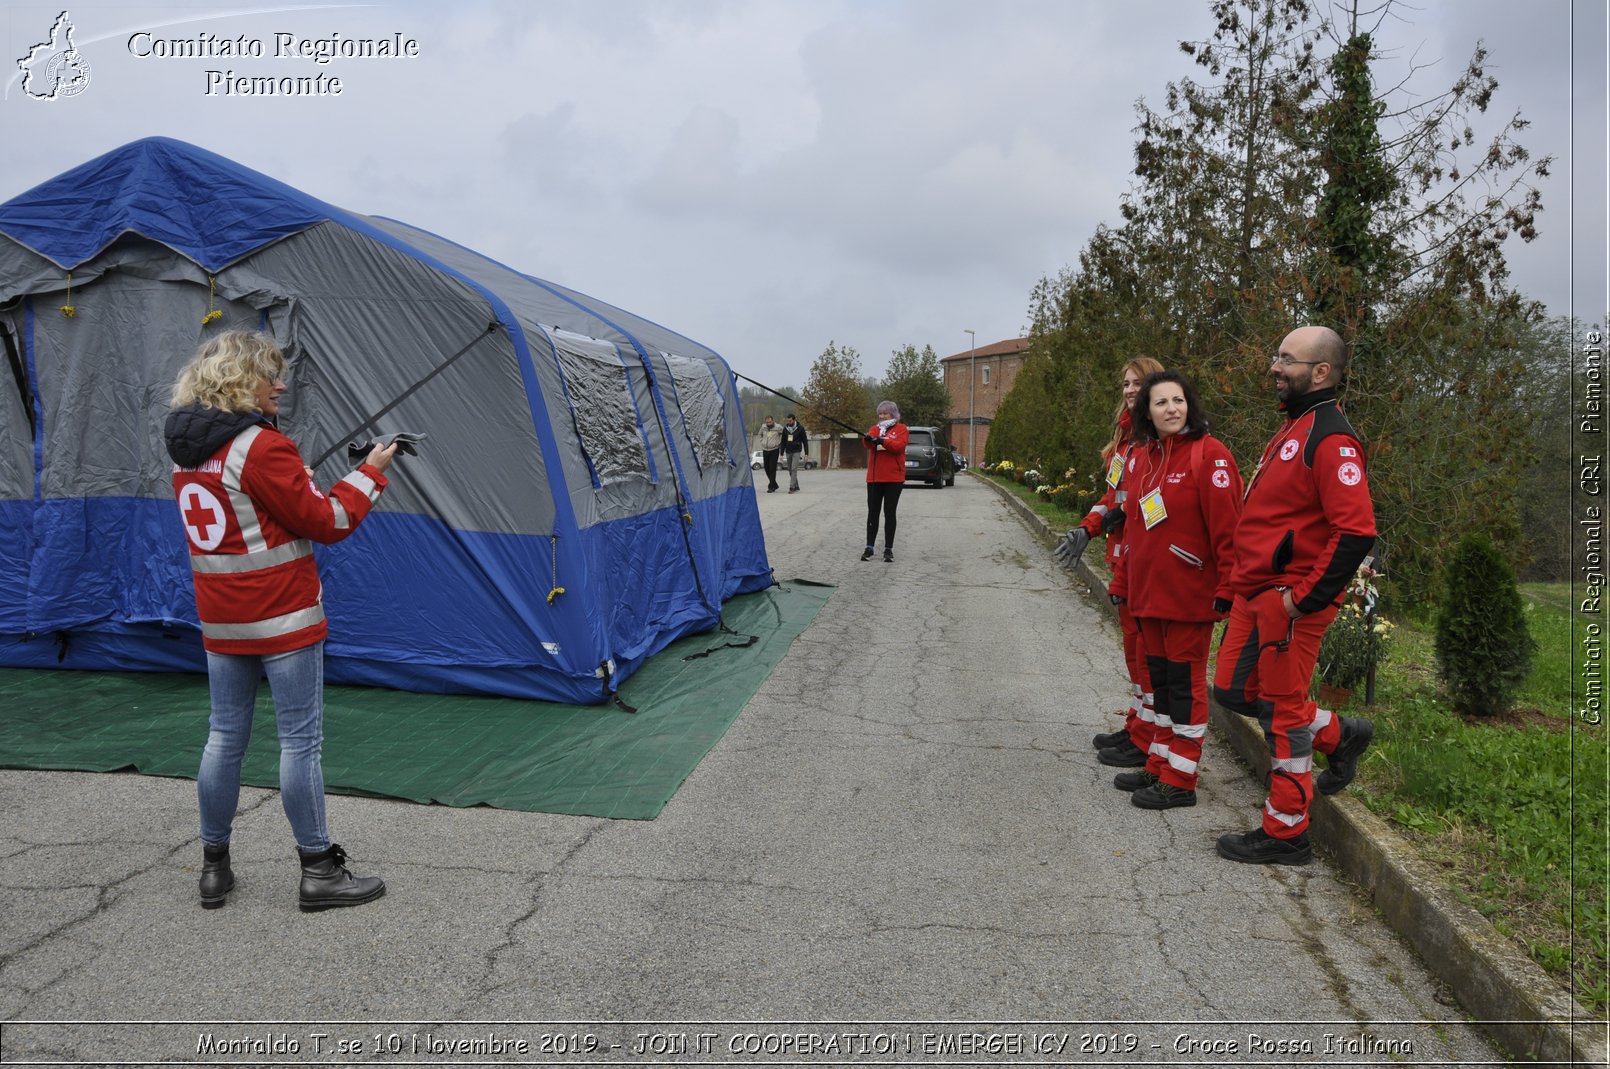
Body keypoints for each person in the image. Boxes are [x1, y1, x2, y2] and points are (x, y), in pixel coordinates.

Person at [164, 330, 399, 911]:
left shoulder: (188, 449)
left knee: (224, 737)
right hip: (283, 617)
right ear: (242, 379)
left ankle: (213, 867)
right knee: (300, 742)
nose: (281, 384)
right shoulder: (264, 447)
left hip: (222, 620)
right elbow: (328, 522)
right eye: (271, 373)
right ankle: (318, 871)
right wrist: (369, 472)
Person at [1212, 325, 1377, 865]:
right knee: (1235, 691)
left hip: (1289, 603)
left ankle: (1286, 833)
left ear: (1321, 372)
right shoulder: (1293, 427)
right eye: (1276, 354)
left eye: (1287, 358)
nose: (1275, 366)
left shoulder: (1330, 437)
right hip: (1253, 596)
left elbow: (1356, 531)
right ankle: (1338, 733)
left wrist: (1300, 600)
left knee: (1283, 714)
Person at [1106, 370, 1243, 809]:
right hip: (1148, 596)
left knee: (1183, 688)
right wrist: (1123, 581)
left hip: (1188, 596)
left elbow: (1229, 531)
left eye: (1178, 400)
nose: (1171, 409)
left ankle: (1180, 780)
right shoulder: (1145, 458)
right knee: (1161, 685)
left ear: (1190, 405)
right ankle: (1160, 764)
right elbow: (1134, 528)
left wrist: (1227, 587)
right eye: (1160, 402)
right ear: (1147, 411)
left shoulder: (1211, 455)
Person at [1055, 356, 1166, 769]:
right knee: (1133, 647)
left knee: (1146, 649)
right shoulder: (1125, 438)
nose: (1130, 389)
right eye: (1125, 383)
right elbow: (1114, 498)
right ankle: (1139, 723)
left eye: (1138, 382)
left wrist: (1123, 518)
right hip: (1122, 553)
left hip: (1145, 557)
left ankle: (1150, 735)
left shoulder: (1155, 439)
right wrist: (1088, 527)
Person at [860, 400, 909, 562]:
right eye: (880, 413)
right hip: (874, 478)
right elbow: (868, 445)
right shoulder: (875, 429)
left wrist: (883, 441)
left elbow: (898, 447)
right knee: (873, 512)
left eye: (885, 413)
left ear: (893, 414)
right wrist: (868, 439)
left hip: (894, 478)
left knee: (890, 512)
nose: (882, 416)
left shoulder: (902, 429)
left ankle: (888, 549)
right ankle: (869, 547)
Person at [781, 413, 808, 492]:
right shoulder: (785, 429)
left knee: (793, 469)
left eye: (790, 421)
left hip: (796, 451)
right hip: (788, 451)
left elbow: (805, 442)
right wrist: (781, 453)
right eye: (788, 421)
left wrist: (806, 454)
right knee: (789, 469)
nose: (789, 422)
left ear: (794, 420)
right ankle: (796, 485)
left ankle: (792, 487)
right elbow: (783, 442)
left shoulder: (800, 428)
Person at [758, 415, 783, 493]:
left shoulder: (778, 427)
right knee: (766, 467)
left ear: (773, 421)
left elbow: (785, 434)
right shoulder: (763, 427)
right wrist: (762, 441)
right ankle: (774, 484)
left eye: (770, 422)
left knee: (772, 468)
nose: (768, 424)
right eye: (767, 422)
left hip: (774, 450)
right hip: (765, 449)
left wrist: (779, 443)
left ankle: (771, 487)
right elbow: (760, 434)